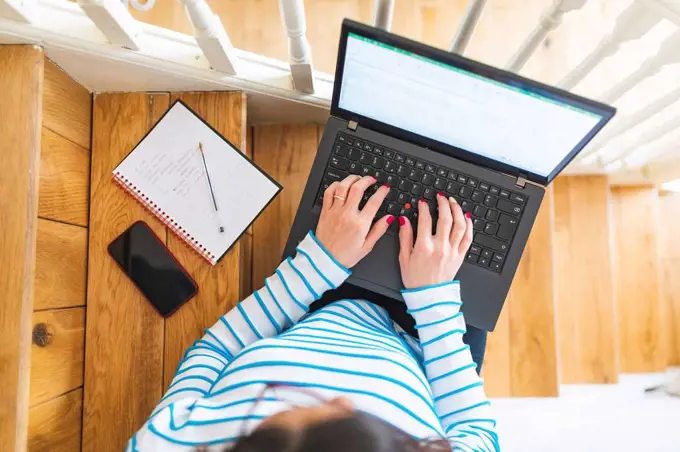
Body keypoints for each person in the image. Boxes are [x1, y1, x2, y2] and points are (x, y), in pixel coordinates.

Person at [128, 175, 499, 451]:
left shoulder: (163, 445)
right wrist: (432, 299)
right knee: (483, 209)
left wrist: (318, 265)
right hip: (426, 342)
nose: (343, 399)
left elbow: (216, 351)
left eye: (288, 406)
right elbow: (477, 433)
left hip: (311, 305)